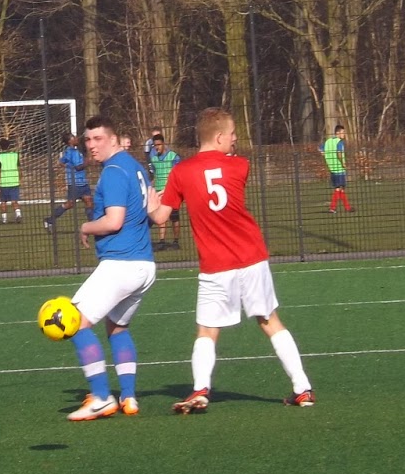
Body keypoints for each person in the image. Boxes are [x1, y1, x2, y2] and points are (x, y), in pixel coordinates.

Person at [145, 107, 314, 412]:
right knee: (269, 320)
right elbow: (224, 180)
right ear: (220, 136)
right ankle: (302, 388)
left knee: (207, 330)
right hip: (252, 256)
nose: (236, 139)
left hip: (216, 264)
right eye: (233, 134)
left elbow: (159, 218)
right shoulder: (240, 166)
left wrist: (148, 198)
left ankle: (200, 390)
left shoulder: (181, 172)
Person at [62, 117, 154, 421]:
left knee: (75, 322)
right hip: (144, 265)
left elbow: (114, 221)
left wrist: (85, 227)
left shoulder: (113, 171)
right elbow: (156, 213)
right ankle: (129, 396)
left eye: (98, 139)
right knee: (117, 327)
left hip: (121, 263)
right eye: (88, 140)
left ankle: (101, 397)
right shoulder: (136, 167)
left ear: (114, 140)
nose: (91, 145)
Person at [44, 134, 91, 230]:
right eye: (74, 137)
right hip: (75, 183)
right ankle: (49, 220)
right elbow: (78, 167)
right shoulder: (73, 152)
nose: (76, 138)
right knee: (70, 204)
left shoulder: (70, 151)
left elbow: (61, 162)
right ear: (70, 141)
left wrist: (67, 167)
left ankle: (93, 224)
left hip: (83, 182)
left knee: (89, 201)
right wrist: (88, 161)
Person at [147, 135, 181, 248]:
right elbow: (154, 176)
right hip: (159, 192)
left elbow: (177, 174)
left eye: (159, 144)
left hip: (171, 191)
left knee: (174, 217)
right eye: (155, 145)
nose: (157, 147)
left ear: (163, 144)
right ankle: (162, 241)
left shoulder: (173, 157)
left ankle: (176, 241)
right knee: (161, 216)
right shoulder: (154, 159)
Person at [321, 125, 353, 214]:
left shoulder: (328, 141)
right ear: (337, 133)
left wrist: (327, 156)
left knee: (340, 188)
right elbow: (339, 154)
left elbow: (321, 149)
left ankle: (347, 207)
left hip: (332, 169)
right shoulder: (339, 142)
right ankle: (333, 208)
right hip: (339, 169)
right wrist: (343, 163)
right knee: (338, 189)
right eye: (343, 132)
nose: (344, 134)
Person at [0, 138, 22, 224]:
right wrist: (20, 179)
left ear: (0, 146)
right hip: (14, 181)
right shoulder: (15, 155)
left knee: (3, 202)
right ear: (9, 146)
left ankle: (4, 219)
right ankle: (18, 214)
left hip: (4, 182)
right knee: (14, 201)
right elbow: (19, 169)